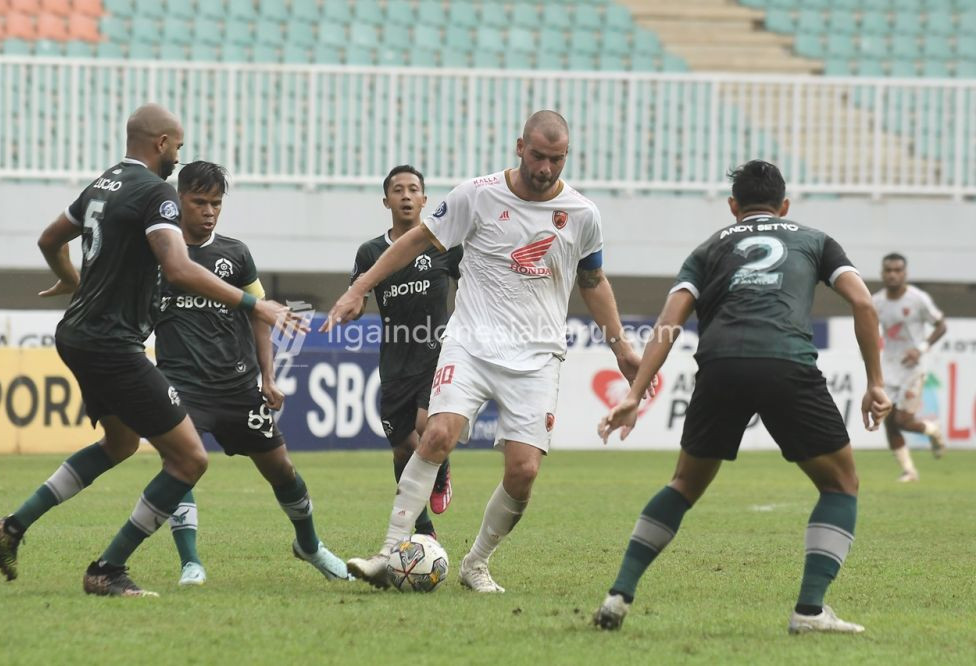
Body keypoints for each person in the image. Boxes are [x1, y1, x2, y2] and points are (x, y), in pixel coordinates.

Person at [0, 104, 299, 597]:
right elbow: (178, 267)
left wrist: (71, 279)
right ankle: (107, 570)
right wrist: (255, 304)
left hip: (77, 335)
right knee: (190, 459)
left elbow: (49, 239)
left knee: (121, 443)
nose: (179, 156)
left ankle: (12, 528)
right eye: (179, 146)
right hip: (112, 344)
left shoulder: (102, 184)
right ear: (162, 143)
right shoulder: (157, 194)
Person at [325, 110, 641, 592]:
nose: (545, 169)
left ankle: (476, 563)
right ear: (520, 147)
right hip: (470, 343)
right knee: (435, 436)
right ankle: (387, 553)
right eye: (537, 156)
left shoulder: (582, 215)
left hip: (536, 357)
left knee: (524, 471)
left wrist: (620, 346)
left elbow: (593, 280)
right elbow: (416, 241)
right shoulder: (478, 194)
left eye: (556, 160)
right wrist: (359, 289)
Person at [592, 160, 891, 634]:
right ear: (785, 205)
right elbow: (864, 302)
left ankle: (618, 595)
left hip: (721, 364)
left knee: (683, 485)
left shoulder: (709, 247)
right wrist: (875, 381)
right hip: (786, 362)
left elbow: (671, 318)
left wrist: (634, 392)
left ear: (734, 207)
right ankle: (810, 611)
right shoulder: (814, 239)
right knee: (840, 484)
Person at [156, 161, 350, 586]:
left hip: (236, 385)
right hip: (179, 385)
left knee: (281, 468)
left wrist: (268, 376)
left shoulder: (235, 253)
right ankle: (190, 561)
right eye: (199, 201)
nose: (209, 211)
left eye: (216, 203)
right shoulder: (160, 255)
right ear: (179, 200)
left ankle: (310, 545)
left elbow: (259, 316)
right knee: (182, 463)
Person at [349, 165, 462, 538]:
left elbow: (475, 278)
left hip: (436, 352)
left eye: (414, 189)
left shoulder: (443, 244)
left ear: (425, 200)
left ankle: (441, 469)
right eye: (398, 190)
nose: (406, 195)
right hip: (395, 359)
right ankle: (424, 528)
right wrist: (349, 308)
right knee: (401, 449)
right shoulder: (371, 252)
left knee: (425, 425)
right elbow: (358, 295)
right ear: (387, 201)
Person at [872, 253, 948, 482]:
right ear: (882, 274)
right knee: (889, 421)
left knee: (902, 421)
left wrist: (921, 348)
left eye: (897, 270)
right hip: (889, 367)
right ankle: (909, 471)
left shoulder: (918, 299)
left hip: (914, 368)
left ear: (905, 274)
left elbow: (941, 325)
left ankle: (932, 429)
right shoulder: (876, 302)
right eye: (888, 270)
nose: (893, 274)